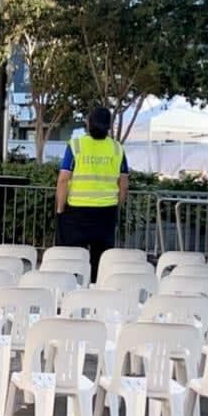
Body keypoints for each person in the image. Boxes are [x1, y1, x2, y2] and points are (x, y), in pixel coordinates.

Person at [56, 106, 129, 283]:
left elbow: (64, 179)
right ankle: (96, 300)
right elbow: (124, 182)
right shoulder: (117, 149)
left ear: (88, 123)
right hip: (106, 212)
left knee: (72, 260)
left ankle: (71, 296)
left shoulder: (76, 145)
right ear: (109, 126)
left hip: (77, 212)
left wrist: (60, 208)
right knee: (101, 261)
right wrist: (117, 206)